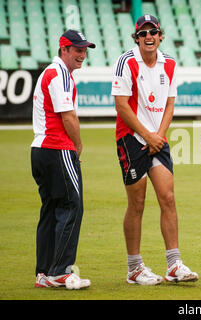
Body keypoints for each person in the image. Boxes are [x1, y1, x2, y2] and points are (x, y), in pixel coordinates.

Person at [111, 14, 198, 285]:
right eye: (143, 33)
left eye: (154, 32)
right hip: (131, 138)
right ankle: (134, 268)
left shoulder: (169, 63)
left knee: (168, 198)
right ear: (136, 37)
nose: (149, 37)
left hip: (157, 141)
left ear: (160, 36)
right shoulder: (126, 62)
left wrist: (158, 136)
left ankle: (174, 265)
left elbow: (170, 104)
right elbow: (121, 105)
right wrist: (146, 135)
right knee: (137, 204)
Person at [31, 30, 95, 289]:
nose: (82, 54)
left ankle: (44, 273)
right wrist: (77, 146)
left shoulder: (51, 72)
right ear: (64, 49)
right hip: (58, 148)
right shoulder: (60, 74)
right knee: (72, 206)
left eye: (84, 50)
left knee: (50, 209)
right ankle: (60, 271)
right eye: (77, 49)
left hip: (40, 149)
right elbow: (68, 116)